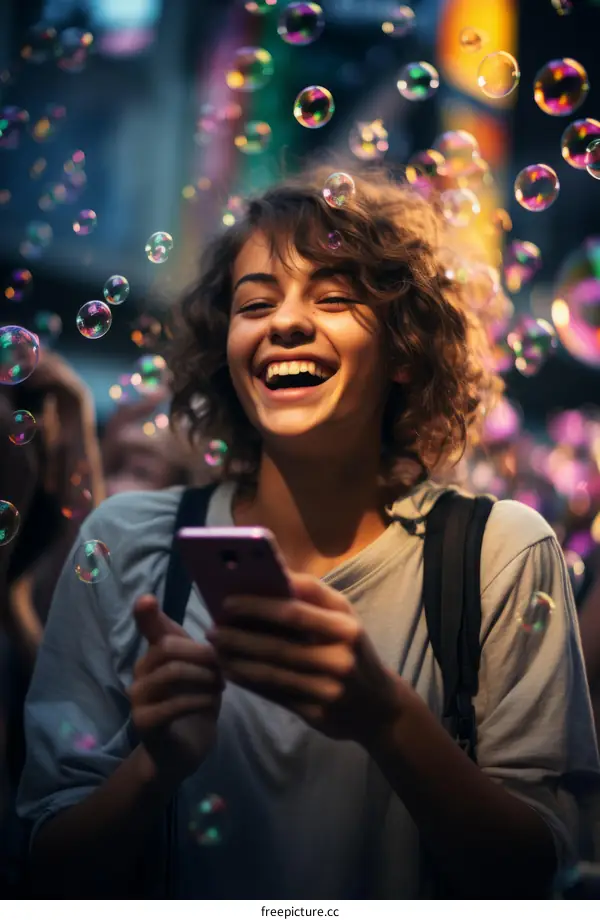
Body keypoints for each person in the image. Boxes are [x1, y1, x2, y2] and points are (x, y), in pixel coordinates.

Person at [16, 167, 600, 899]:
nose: (284, 323)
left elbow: (538, 873)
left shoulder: (499, 554)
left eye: (333, 298)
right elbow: (44, 868)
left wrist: (385, 716)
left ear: (404, 349)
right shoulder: (128, 544)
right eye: (255, 303)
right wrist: (153, 766)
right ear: (225, 350)